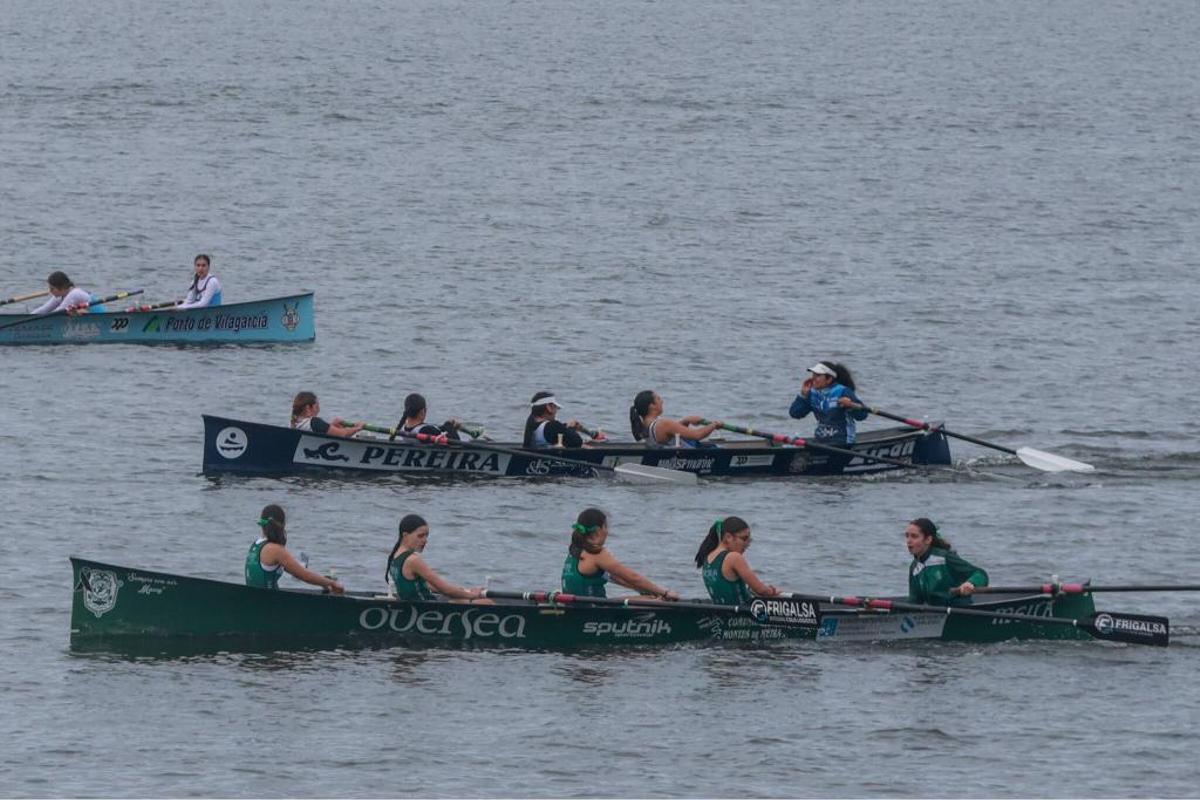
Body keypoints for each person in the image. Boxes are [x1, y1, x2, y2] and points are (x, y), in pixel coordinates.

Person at [561, 508, 679, 600]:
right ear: (598, 531)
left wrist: (649, 591)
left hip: (577, 607)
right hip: (595, 610)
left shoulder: (575, 549)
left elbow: (616, 578)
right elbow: (633, 577)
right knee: (657, 601)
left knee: (651, 596)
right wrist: (665, 593)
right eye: (606, 527)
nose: (607, 532)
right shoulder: (597, 553)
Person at [244, 504, 344, 593]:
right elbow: (304, 575)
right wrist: (332, 583)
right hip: (271, 605)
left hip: (255, 600)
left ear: (261, 525)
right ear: (283, 525)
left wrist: (323, 582)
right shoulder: (276, 550)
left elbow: (296, 572)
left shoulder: (256, 545)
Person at [384, 514, 485, 601]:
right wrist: (473, 595)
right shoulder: (413, 560)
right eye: (420, 536)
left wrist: (461, 590)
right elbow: (446, 590)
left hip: (413, 605)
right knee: (486, 603)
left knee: (460, 599)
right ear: (405, 535)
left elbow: (425, 585)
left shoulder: (395, 556)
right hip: (425, 608)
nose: (425, 540)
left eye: (426, 536)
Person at [694, 516, 780, 604]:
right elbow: (760, 590)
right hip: (744, 614)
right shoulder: (734, 557)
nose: (747, 544)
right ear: (728, 537)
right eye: (744, 539)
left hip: (722, 613)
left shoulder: (707, 558)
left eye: (749, 540)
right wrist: (772, 591)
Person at [905, 517, 989, 607]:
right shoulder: (914, 568)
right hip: (935, 613)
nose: (909, 541)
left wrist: (971, 583)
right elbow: (914, 601)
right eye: (907, 536)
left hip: (960, 610)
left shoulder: (945, 558)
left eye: (914, 536)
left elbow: (981, 574)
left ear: (928, 540)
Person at [788, 361, 868, 444]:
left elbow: (863, 415)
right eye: (813, 375)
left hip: (842, 442)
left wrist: (850, 406)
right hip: (821, 441)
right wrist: (803, 395)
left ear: (829, 379)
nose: (813, 379)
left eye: (818, 375)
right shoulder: (812, 393)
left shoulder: (843, 391)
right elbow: (795, 414)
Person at [628, 390, 722, 448]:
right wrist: (714, 425)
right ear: (652, 406)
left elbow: (671, 434)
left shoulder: (643, 424)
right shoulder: (663, 424)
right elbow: (697, 435)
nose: (662, 401)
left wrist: (686, 421)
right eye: (658, 399)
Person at [523, 391, 605, 448]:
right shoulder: (553, 426)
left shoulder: (531, 421)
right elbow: (577, 441)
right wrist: (570, 428)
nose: (556, 411)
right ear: (549, 408)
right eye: (555, 407)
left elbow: (555, 431)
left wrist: (566, 426)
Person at [290, 391, 365, 437]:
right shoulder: (314, 422)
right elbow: (343, 434)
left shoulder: (295, 423)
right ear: (308, 408)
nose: (318, 410)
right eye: (317, 406)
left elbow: (320, 429)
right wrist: (358, 428)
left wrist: (332, 425)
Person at [395, 393, 461, 441]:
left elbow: (436, 431)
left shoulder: (404, 428)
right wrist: (449, 425)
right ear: (422, 411)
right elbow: (455, 441)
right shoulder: (425, 430)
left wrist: (447, 427)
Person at [31, 271, 98, 315]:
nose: (50, 291)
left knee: (71, 312)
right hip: (88, 317)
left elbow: (57, 313)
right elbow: (44, 309)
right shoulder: (61, 294)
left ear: (61, 287)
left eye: (52, 289)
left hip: (99, 316)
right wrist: (28, 316)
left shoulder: (74, 294)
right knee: (71, 312)